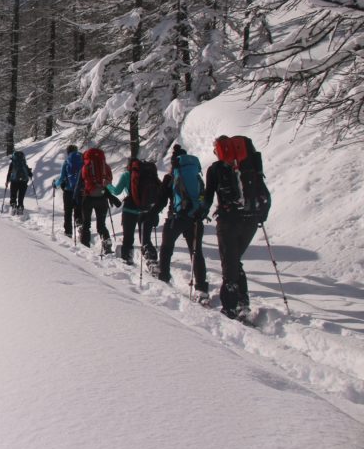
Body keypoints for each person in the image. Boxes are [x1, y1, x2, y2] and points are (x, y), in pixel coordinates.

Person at [202, 135, 269, 321]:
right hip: (251, 220)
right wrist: (260, 216)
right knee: (235, 260)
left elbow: (207, 197)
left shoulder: (215, 169)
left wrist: (200, 211)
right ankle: (243, 301)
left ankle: (230, 307)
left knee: (229, 263)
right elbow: (264, 192)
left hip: (228, 221)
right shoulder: (251, 166)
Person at [155, 145, 209, 304]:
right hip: (195, 218)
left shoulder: (171, 177)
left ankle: (163, 276)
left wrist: (150, 215)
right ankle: (201, 289)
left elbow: (161, 200)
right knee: (196, 252)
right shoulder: (196, 176)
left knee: (166, 247)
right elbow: (202, 196)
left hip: (177, 218)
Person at [106, 158, 160, 267]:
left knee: (128, 237)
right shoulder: (149, 175)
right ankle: (152, 260)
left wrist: (108, 185)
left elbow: (117, 191)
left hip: (130, 210)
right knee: (146, 238)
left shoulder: (127, 175)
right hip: (146, 210)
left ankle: (127, 259)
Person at [74, 147, 116, 254]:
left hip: (88, 198)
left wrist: (75, 198)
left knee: (86, 223)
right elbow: (109, 180)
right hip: (102, 198)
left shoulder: (85, 167)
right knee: (101, 224)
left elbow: (79, 184)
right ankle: (106, 241)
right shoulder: (105, 166)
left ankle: (85, 246)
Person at [52, 145, 84, 236]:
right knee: (79, 210)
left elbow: (62, 178)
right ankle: (80, 225)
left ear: (68, 152)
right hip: (80, 191)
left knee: (68, 212)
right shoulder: (82, 161)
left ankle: (68, 232)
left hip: (68, 191)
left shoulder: (66, 162)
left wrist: (55, 184)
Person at [5, 149, 33, 215]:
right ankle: (20, 207)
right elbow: (30, 174)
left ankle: (13, 205)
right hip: (23, 182)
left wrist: (7, 182)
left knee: (13, 195)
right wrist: (30, 173)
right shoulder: (24, 163)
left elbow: (9, 173)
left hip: (14, 181)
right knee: (21, 197)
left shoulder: (12, 163)